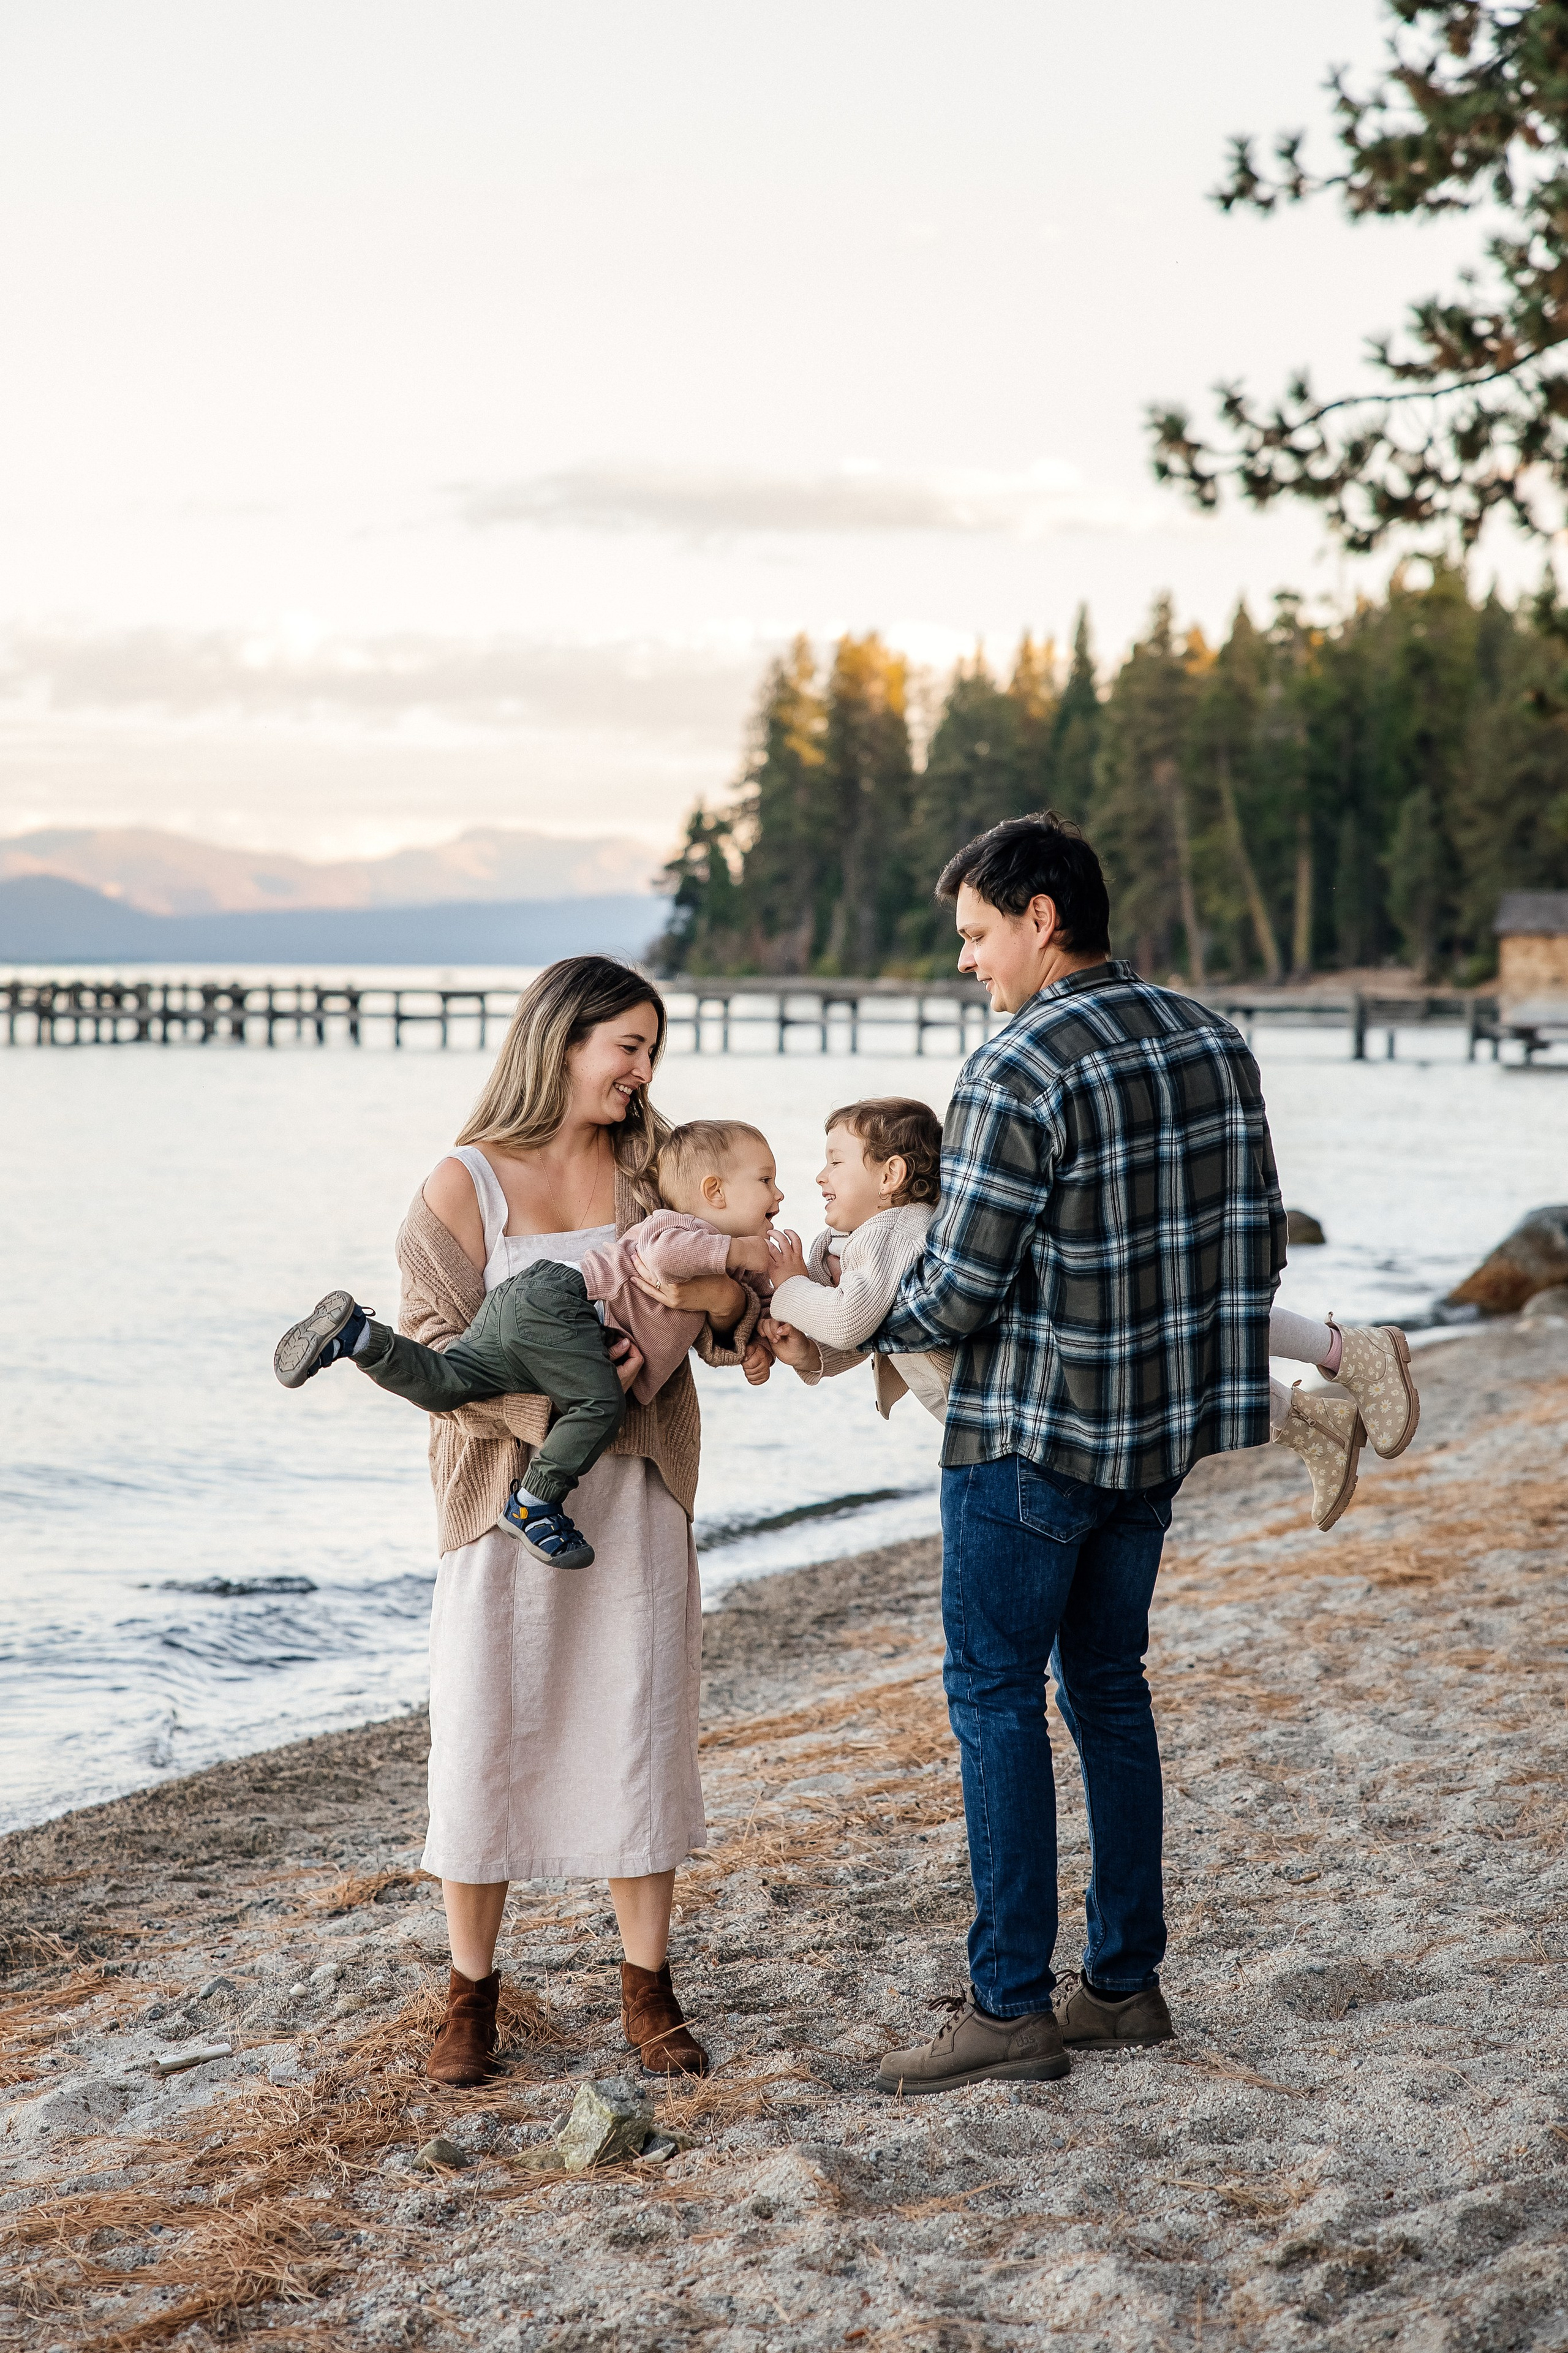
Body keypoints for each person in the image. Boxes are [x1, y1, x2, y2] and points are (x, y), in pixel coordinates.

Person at [862, 813, 1308, 2094]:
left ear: (1040, 917)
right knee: (1106, 1690)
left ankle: (1008, 2006)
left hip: (1027, 1443)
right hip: (1154, 1442)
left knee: (993, 1696)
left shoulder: (1014, 1068)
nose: (966, 962)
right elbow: (1255, 1243)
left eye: (974, 934)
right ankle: (1121, 1985)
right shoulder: (1213, 1039)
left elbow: (951, 1294)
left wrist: (836, 1314)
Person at [368, 956, 760, 2088]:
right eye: (625, 1047)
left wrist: (714, 1308)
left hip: (636, 1498)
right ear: (561, 1039)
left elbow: (732, 1307)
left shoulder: (658, 1168)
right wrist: (558, 1405)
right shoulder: (464, 1185)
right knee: (486, 1734)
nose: (643, 1073)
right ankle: (471, 1996)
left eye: (651, 1050)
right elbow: (433, 1350)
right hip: (502, 1504)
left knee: (637, 1729)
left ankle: (648, 1991)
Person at [272, 1119, 781, 1569]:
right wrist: (739, 1251)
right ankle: (534, 1503)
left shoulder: (705, 1229)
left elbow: (744, 1314)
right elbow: (670, 1256)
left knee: (451, 1381)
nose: (779, 1197)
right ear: (714, 1191)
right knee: (601, 1401)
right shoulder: (680, 1225)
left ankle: (360, 1337)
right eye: (766, 1182)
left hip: (530, 1312)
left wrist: (754, 1333)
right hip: (561, 1308)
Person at [763, 1096, 952, 1421]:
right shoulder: (882, 1229)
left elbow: (849, 1319)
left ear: (889, 1176)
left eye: (836, 1162)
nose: (821, 1176)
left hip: (988, 1419)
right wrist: (810, 1354)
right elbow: (871, 1320)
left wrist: (790, 1286)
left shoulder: (893, 1231)